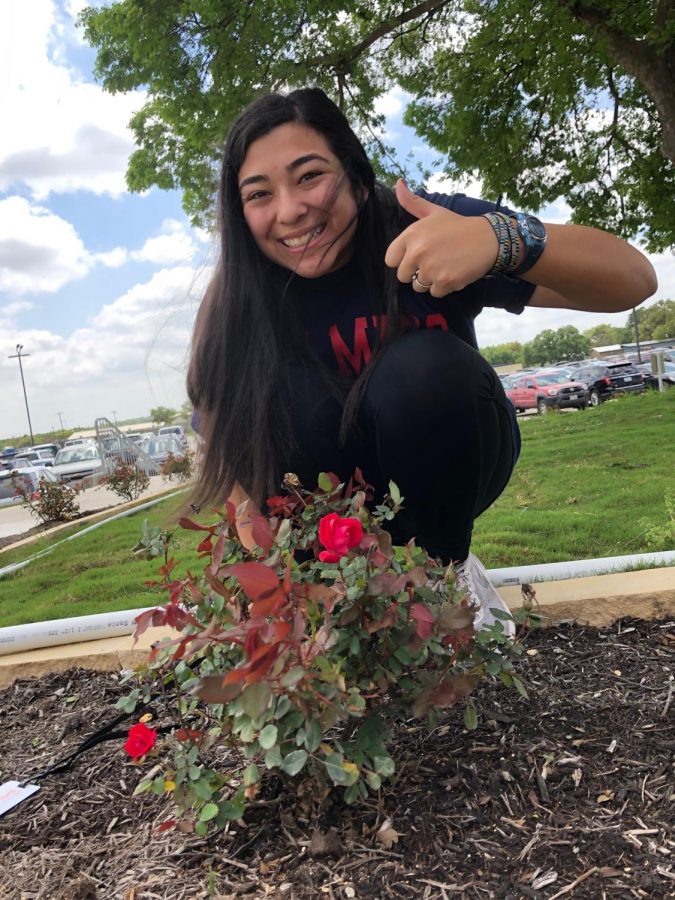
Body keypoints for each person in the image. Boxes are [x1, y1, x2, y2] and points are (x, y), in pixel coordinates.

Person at [187, 88, 657, 635]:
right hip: (320, 515)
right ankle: (342, 607)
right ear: (240, 213)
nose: (290, 210)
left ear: (358, 176)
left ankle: (444, 578)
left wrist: (499, 240)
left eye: (310, 176)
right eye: (259, 194)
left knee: (423, 370)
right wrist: (276, 596)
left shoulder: (423, 225)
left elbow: (633, 280)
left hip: (452, 462)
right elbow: (238, 472)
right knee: (277, 405)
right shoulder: (236, 305)